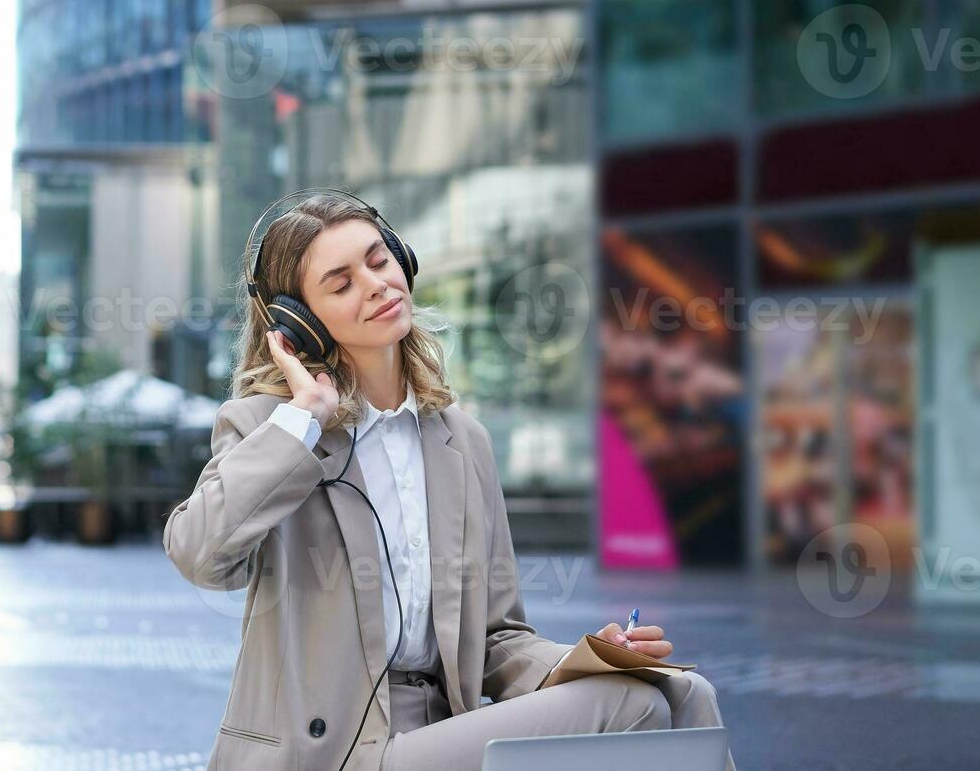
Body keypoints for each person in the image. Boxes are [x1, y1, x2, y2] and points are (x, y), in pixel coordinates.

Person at [165, 191, 732, 771]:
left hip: (436, 734)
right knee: (633, 707)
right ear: (300, 323)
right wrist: (303, 420)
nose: (376, 285)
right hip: (332, 750)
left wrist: (589, 659)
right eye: (340, 284)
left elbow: (498, 641)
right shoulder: (271, 429)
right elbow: (200, 555)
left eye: (379, 260)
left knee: (686, 694)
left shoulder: (462, 442)